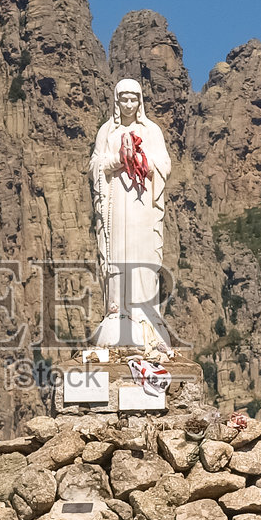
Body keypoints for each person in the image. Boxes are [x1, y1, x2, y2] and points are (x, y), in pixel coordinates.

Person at [89, 78, 172, 348]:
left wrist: (140, 161)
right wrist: (117, 160)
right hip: (117, 203)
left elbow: (163, 165)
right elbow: (95, 164)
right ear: (116, 101)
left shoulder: (152, 131)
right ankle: (118, 311)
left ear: (140, 102)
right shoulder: (107, 131)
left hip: (141, 205)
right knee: (118, 252)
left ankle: (145, 314)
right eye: (123, 99)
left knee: (141, 251)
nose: (128, 104)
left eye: (133, 99)